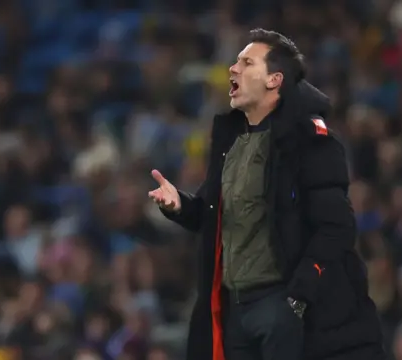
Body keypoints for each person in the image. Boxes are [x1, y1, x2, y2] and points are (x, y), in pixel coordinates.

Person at [148, 28, 386, 360]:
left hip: (280, 304)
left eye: (246, 63)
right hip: (235, 309)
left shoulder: (309, 141)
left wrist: (297, 297)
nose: (233, 69)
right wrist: (179, 205)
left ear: (274, 80)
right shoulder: (232, 142)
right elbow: (212, 214)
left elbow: (337, 228)